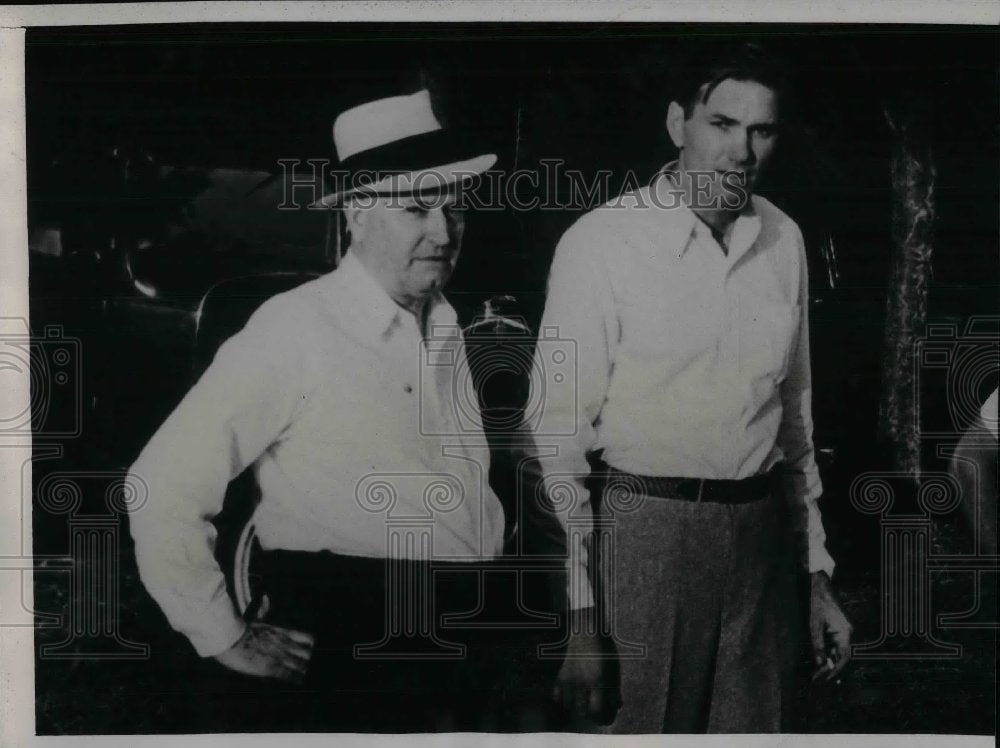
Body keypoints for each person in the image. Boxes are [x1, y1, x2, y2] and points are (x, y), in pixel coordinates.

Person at [127, 89, 538, 732]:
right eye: (416, 207)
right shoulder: (297, 327)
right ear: (357, 214)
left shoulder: (449, 327)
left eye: (455, 207)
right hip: (351, 646)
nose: (444, 230)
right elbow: (159, 486)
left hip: (460, 640)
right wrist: (222, 634)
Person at [530, 41, 853, 733]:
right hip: (643, 533)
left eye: (761, 130)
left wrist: (815, 578)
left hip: (760, 545)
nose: (741, 152)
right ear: (678, 123)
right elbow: (555, 443)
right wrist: (581, 621)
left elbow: (794, 427)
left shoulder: (783, 239)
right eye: (722, 124)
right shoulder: (601, 243)